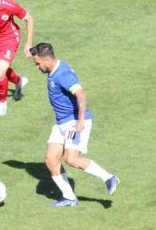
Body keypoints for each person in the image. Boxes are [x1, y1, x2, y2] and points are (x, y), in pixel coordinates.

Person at [30, 42, 120, 207]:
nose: (37, 67)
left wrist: (80, 121)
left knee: (71, 159)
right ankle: (70, 198)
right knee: (50, 160)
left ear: (48, 61)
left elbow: (81, 94)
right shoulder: (55, 67)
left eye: (37, 63)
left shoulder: (63, 74)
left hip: (75, 122)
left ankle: (109, 177)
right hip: (61, 123)